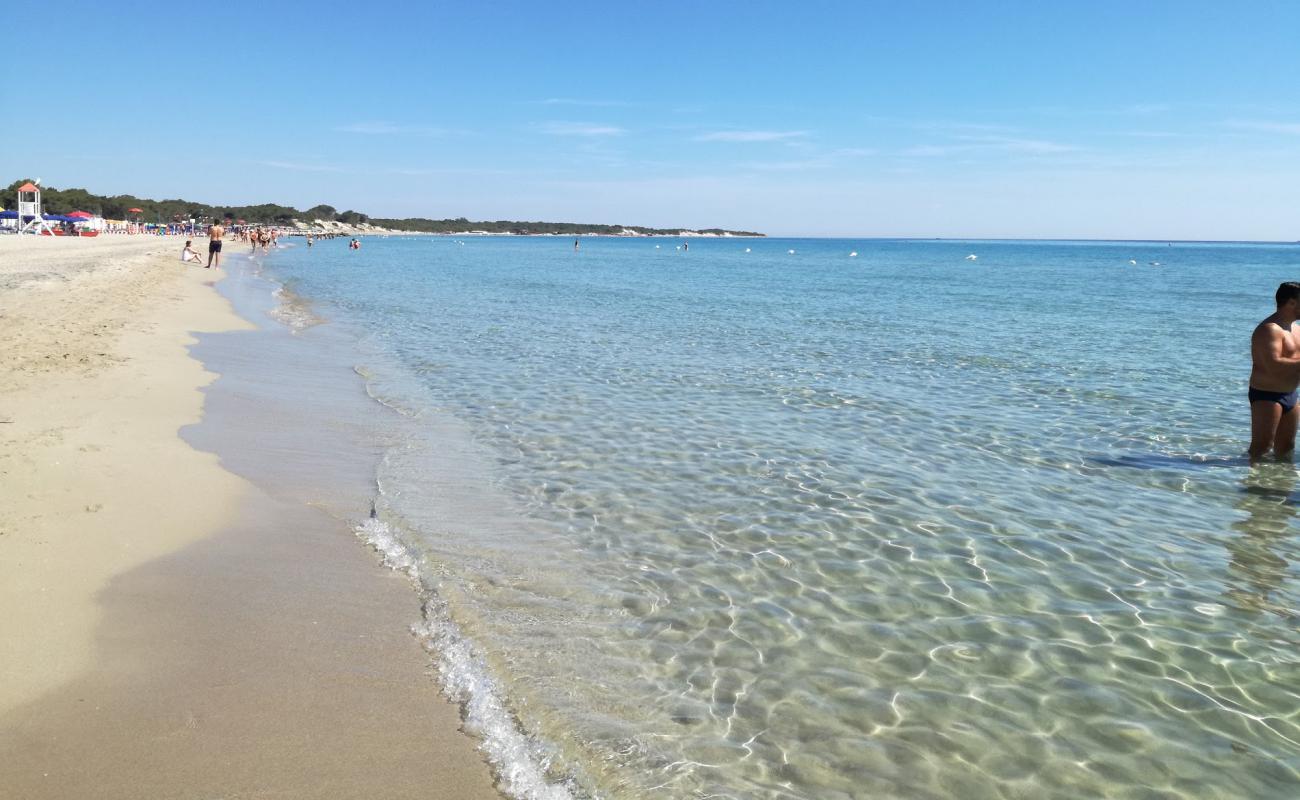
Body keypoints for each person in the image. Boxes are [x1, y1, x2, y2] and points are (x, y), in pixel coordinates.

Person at [1248, 281, 1300, 460]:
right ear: (1292, 302)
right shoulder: (1269, 329)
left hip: (1291, 394)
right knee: (1262, 448)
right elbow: (1273, 365)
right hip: (1267, 395)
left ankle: (1281, 484)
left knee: (1286, 448)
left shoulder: (1296, 329)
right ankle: (1251, 485)